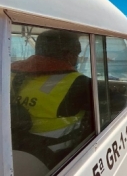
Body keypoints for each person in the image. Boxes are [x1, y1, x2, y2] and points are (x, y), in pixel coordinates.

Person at [10, 29, 94, 169]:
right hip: (51, 158)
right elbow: (117, 103)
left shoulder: (9, 73)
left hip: (9, 148)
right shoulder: (79, 83)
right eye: (77, 55)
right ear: (70, 56)